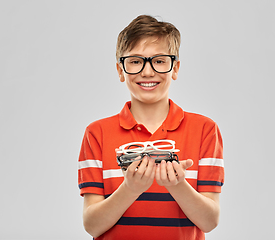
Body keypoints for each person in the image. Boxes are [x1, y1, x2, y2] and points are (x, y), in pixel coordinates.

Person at [78, 15, 224, 240]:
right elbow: (92, 225)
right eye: (135, 61)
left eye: (159, 60)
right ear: (120, 70)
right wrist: (130, 189)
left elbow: (209, 221)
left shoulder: (205, 130)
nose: (147, 72)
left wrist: (178, 186)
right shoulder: (96, 134)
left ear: (174, 68)